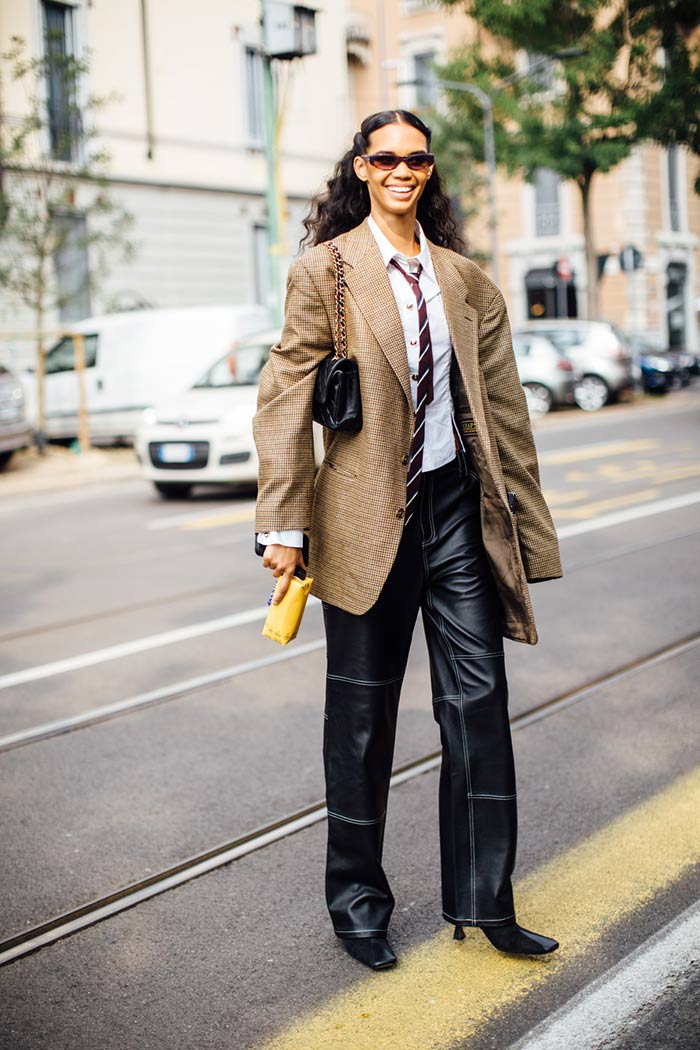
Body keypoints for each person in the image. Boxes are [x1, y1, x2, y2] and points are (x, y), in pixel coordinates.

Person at [253, 110, 563, 972]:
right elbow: (284, 396)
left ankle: (485, 902)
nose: (401, 170)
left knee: (480, 711)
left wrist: (527, 531)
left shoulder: (463, 279)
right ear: (361, 168)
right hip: (360, 522)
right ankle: (359, 906)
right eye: (385, 158)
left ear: (429, 172)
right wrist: (283, 523)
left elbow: (503, 410)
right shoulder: (327, 271)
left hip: (456, 513)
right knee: (360, 726)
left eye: (416, 159)